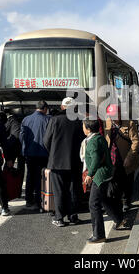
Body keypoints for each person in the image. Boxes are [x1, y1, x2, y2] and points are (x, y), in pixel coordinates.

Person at [82, 119, 127, 244]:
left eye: (83, 126)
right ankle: (119, 219)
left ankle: (99, 235)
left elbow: (96, 159)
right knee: (103, 199)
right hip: (106, 173)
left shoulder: (93, 142)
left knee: (93, 204)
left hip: (99, 176)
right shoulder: (99, 138)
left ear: (88, 129)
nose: (83, 128)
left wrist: (89, 175)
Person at [44, 97, 86, 227]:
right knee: (74, 190)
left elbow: (46, 141)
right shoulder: (78, 120)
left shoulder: (54, 120)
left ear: (62, 107)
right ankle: (73, 216)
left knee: (59, 190)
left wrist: (53, 152)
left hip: (57, 162)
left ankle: (59, 218)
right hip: (75, 161)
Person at [105, 104, 139, 212]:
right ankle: (115, 202)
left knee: (127, 181)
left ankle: (126, 201)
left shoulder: (129, 124)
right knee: (113, 182)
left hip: (126, 158)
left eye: (115, 115)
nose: (113, 117)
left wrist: (130, 157)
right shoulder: (107, 123)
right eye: (111, 115)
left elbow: (135, 142)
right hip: (112, 158)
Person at [20, 101, 51, 210]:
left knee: (30, 176)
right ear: (45, 108)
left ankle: (29, 200)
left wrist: (24, 150)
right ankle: (39, 201)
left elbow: (21, 137)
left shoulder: (26, 119)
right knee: (41, 177)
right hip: (44, 153)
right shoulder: (48, 119)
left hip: (29, 153)